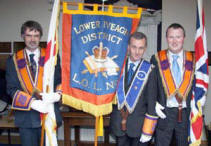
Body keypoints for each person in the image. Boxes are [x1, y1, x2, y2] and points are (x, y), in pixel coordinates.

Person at [6, 20, 62, 146]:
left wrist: (58, 94)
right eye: (29, 35)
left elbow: (59, 80)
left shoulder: (51, 57)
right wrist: (33, 103)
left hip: (49, 114)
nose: (33, 39)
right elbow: (11, 89)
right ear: (22, 36)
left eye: (36, 36)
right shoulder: (13, 60)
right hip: (26, 117)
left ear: (40, 37)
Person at [110, 32, 158, 146]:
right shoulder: (116, 66)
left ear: (145, 48)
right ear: (128, 47)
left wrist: (148, 129)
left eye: (141, 48)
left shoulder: (150, 70)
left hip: (139, 126)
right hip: (118, 123)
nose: (137, 52)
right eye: (134, 47)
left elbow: (151, 101)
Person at [150, 23, 195, 146]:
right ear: (166, 38)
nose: (174, 41)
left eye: (178, 37)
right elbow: (152, 86)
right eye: (171, 37)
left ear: (184, 38)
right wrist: (154, 103)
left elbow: (198, 87)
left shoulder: (193, 59)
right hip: (164, 112)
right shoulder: (156, 58)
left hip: (185, 113)